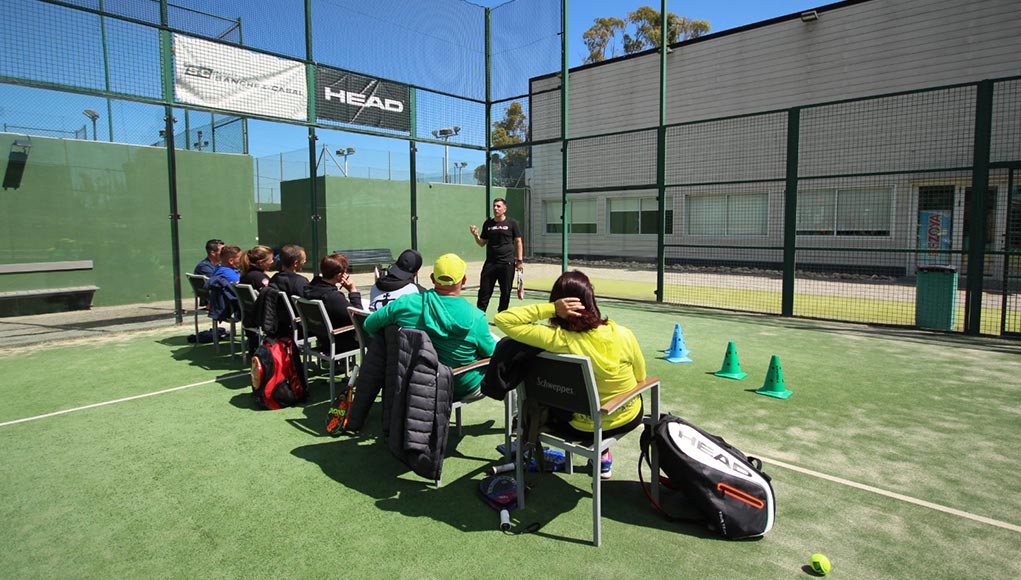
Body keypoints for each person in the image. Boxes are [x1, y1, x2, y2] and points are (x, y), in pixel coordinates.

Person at [494, 270, 647, 479]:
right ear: (591, 299)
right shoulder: (624, 334)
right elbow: (641, 379)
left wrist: (551, 309)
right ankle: (602, 455)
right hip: (627, 417)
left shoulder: (557, 339)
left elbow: (503, 319)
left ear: (559, 304)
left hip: (579, 428)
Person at [363, 253, 496, 402]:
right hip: (463, 387)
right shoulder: (476, 317)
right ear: (464, 280)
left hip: (417, 384)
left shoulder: (404, 304)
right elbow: (492, 353)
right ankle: (518, 419)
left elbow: (369, 324)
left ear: (433, 278)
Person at [469, 197, 523, 313]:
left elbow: (518, 241)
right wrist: (475, 235)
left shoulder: (512, 223)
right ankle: (480, 315)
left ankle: (501, 315)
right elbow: (482, 243)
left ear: (505, 209)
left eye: (498, 206)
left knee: (506, 292)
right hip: (491, 263)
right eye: (494, 206)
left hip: (507, 263)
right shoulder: (488, 223)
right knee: (484, 291)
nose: (495, 208)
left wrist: (519, 261)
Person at [302, 253, 362, 353]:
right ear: (339, 275)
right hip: (339, 341)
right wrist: (353, 291)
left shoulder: (310, 288)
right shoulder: (332, 297)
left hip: (321, 338)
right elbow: (357, 317)